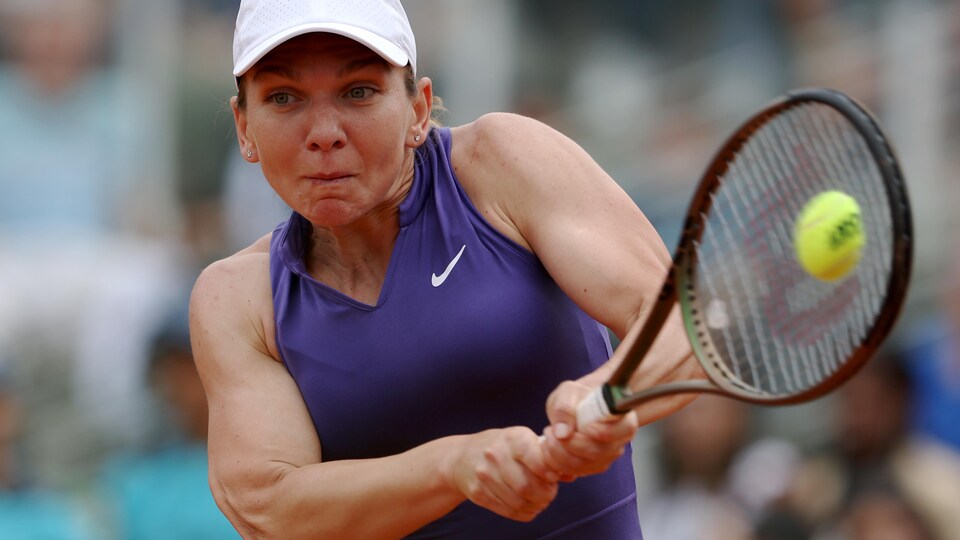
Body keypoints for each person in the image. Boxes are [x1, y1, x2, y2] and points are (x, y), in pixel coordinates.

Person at [189, 0, 701, 537]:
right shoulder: (236, 298)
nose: (323, 132)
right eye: (284, 98)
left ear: (418, 109)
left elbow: (677, 323)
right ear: (244, 127)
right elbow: (271, 509)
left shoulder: (501, 161)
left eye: (358, 91)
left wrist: (609, 395)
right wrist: (454, 467)